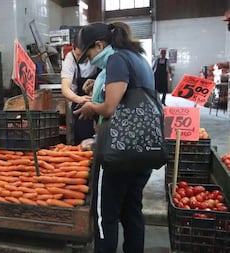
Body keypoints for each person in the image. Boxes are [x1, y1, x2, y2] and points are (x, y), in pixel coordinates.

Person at [73, 22, 155, 253]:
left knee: (105, 215)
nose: (89, 60)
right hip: (143, 148)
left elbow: (109, 108)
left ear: (99, 45)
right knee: (131, 212)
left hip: (118, 151)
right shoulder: (137, 58)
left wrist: (92, 107)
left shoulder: (116, 59)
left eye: (89, 54)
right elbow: (126, 98)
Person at [60, 34, 99, 145]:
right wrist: (79, 99)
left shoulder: (98, 56)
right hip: (80, 104)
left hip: (99, 103)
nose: (83, 57)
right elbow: (65, 88)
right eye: (79, 54)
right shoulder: (70, 59)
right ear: (73, 47)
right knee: (83, 139)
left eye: (86, 54)